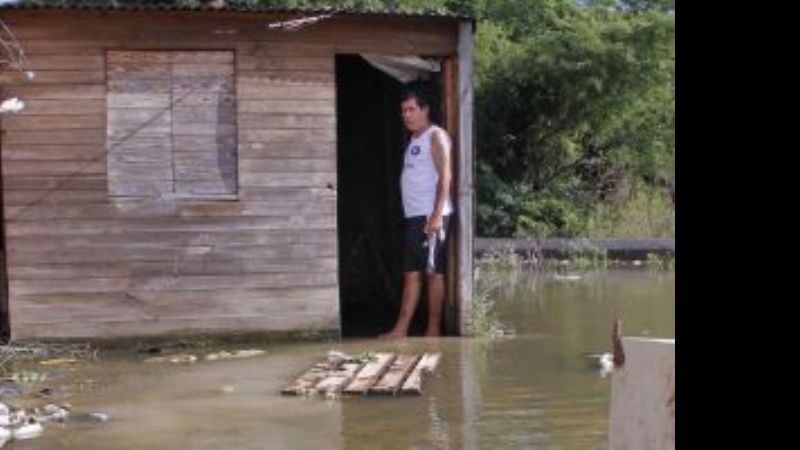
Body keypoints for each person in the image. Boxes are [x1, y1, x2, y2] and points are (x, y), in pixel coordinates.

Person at [379, 87, 453, 339]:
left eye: (411, 110)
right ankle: (401, 329)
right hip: (415, 216)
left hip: (430, 215)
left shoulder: (436, 136)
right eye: (403, 111)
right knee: (411, 273)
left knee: (432, 272)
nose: (406, 115)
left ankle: (433, 329)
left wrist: (436, 215)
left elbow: (445, 176)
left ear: (425, 110)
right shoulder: (414, 139)